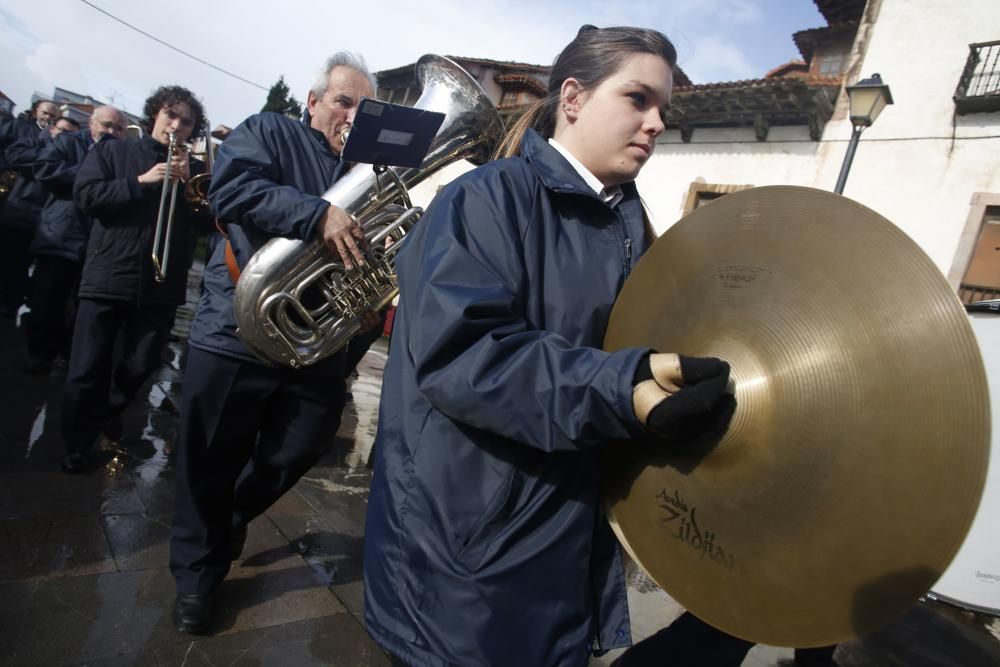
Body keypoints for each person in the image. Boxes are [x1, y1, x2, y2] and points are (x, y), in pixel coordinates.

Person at [362, 25, 735, 667]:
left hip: (557, 545)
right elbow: (467, 356)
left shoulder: (632, 230)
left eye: (663, 111)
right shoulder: (482, 200)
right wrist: (628, 387)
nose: (655, 124)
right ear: (572, 98)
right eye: (638, 99)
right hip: (467, 561)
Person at [169, 52, 381, 635]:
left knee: (303, 444)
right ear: (313, 103)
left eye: (364, 108)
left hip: (315, 343)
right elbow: (232, 193)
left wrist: (369, 298)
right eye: (343, 101)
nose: (351, 115)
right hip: (235, 328)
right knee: (207, 457)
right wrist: (318, 214)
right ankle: (196, 576)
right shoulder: (271, 131)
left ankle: (228, 518)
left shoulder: (372, 168)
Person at [60, 86, 210, 472]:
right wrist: (141, 182)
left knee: (142, 364)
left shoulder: (193, 172)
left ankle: (106, 411)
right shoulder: (114, 151)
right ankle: (76, 448)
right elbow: (86, 196)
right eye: (170, 115)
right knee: (84, 370)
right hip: (107, 277)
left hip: (160, 287)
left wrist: (192, 190)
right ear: (154, 115)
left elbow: (206, 224)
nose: (176, 125)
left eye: (186, 121)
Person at [25, 106, 127, 374]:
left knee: (84, 311)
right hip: (61, 235)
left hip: (98, 244)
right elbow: (45, 170)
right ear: (91, 124)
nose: (111, 132)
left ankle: (67, 358)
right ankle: (39, 354)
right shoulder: (68, 142)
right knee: (46, 303)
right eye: (106, 125)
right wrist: (91, 174)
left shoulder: (122, 155)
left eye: (118, 129)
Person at [0, 100, 60, 317]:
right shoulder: (22, 129)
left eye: (53, 115)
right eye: (45, 113)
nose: (48, 118)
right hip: (15, 205)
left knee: (20, 264)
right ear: (36, 112)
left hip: (36, 217)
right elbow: (13, 155)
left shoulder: (60, 143)